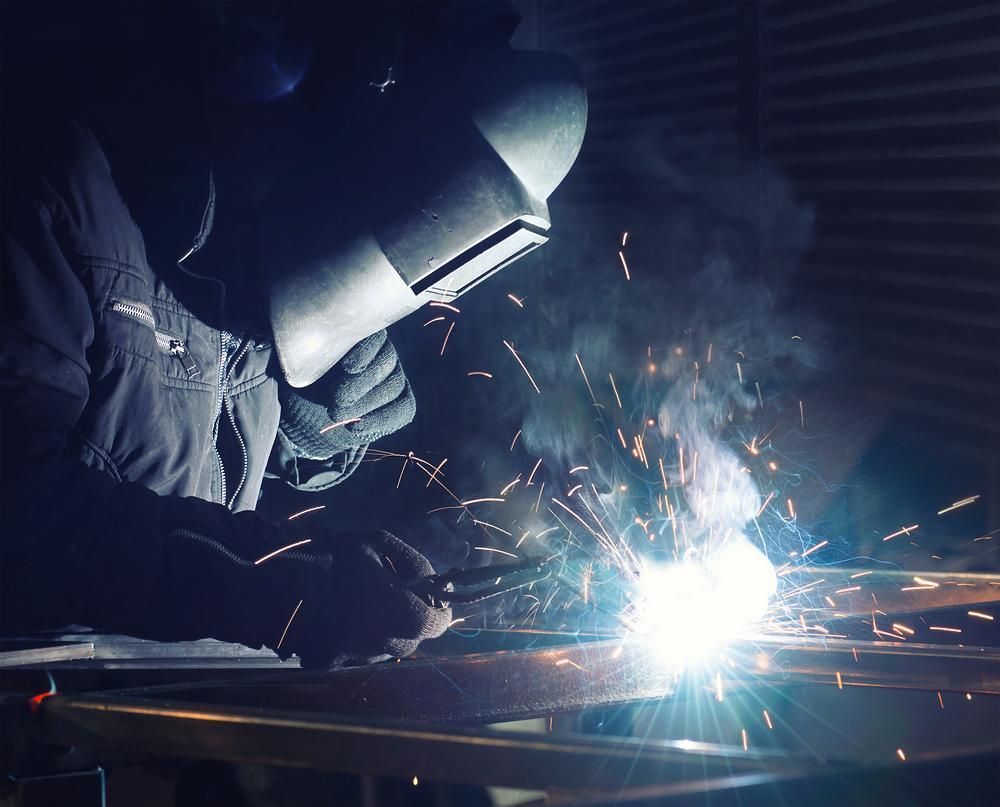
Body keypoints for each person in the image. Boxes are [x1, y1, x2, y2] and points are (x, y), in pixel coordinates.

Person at [0, 1, 586, 667]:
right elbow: (22, 512)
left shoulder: (263, 234)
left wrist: (308, 433)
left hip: (180, 685)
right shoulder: (51, 174)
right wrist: (277, 584)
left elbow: (174, 441)